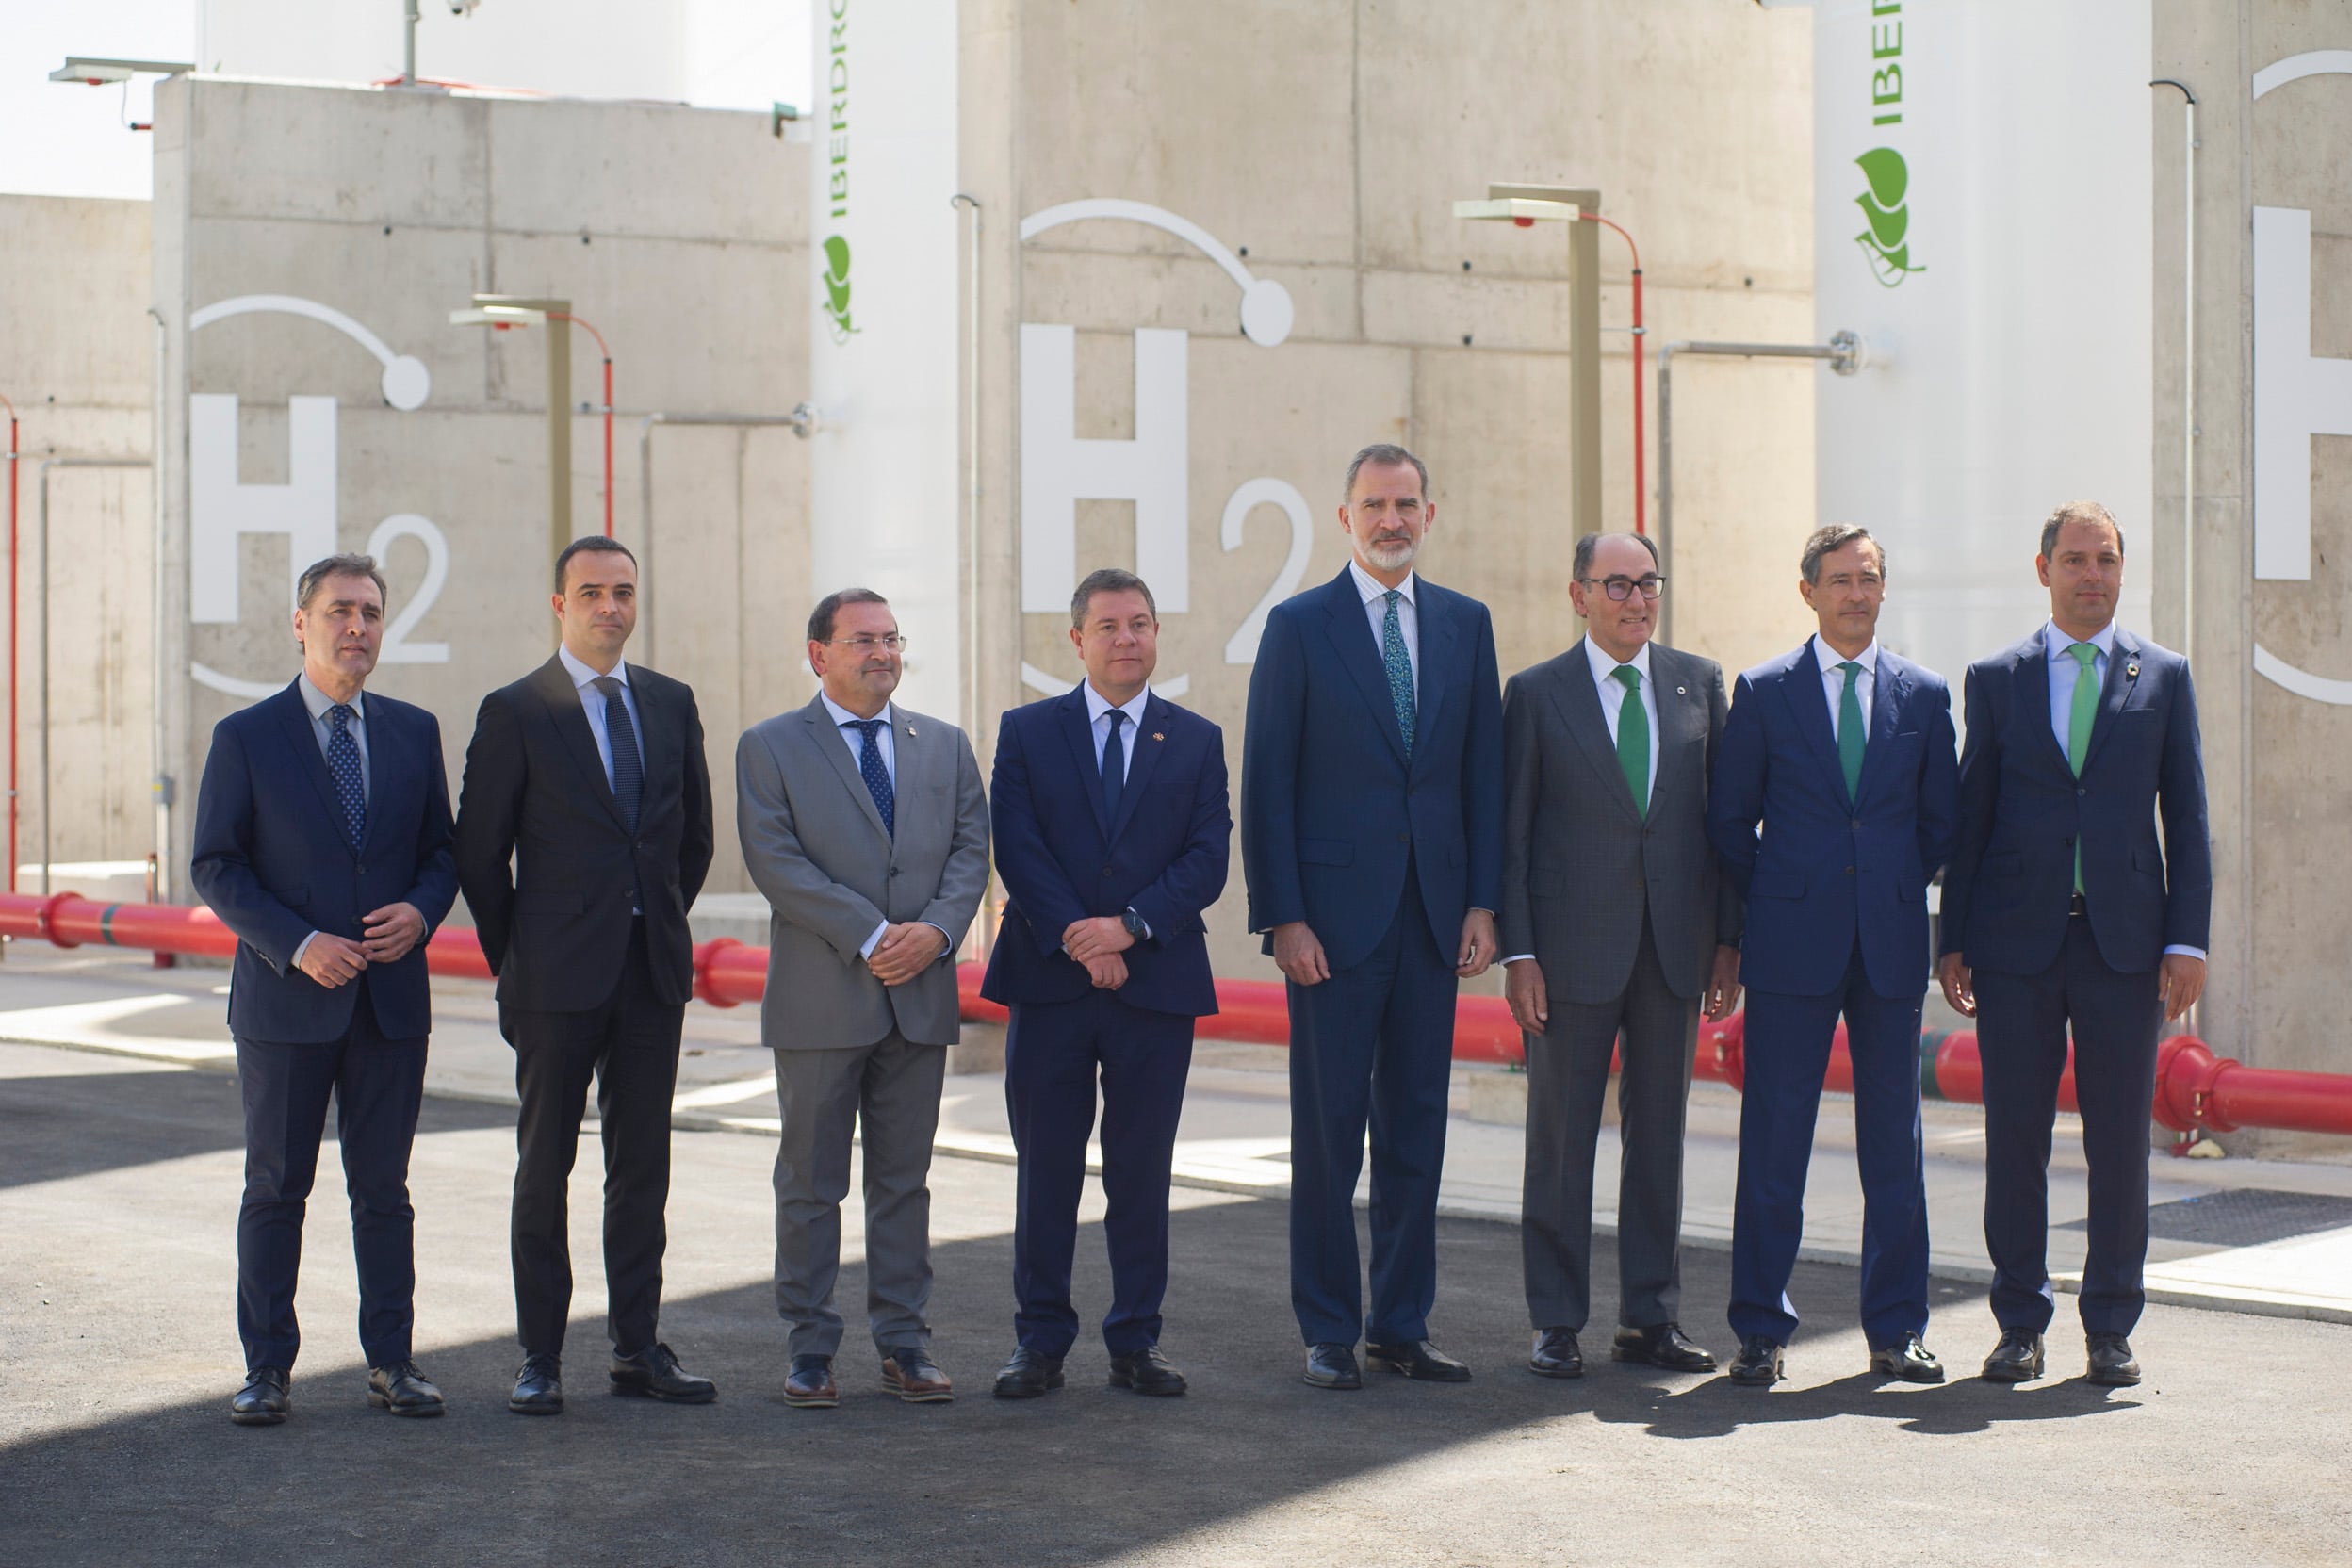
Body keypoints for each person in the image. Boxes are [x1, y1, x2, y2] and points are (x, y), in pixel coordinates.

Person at [1241, 442, 1503, 1391]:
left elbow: (1483, 775)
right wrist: (1284, 917)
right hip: (1333, 928)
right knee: (1329, 1131)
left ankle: (1401, 1322)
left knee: (1415, 1131)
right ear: (1344, 517)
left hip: (1435, 919)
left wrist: (1484, 901)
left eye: (1406, 503)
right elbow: (1268, 780)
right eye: (1373, 504)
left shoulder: (1467, 624)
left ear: (1429, 515)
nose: (1391, 519)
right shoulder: (1299, 625)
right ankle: (1327, 1325)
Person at [1938, 501, 2210, 1387]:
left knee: (2118, 1141)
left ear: (2122, 571)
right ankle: (2019, 1322)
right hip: (2015, 946)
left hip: (2127, 947)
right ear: (2044, 567)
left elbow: (2190, 821)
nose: (2092, 574)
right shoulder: (1998, 676)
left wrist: (2189, 941)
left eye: (2107, 560)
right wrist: (1954, 941)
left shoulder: (2163, 675)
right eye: (2077, 560)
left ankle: (2110, 1327)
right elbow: (1970, 816)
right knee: (2014, 1137)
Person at [191, 552, 458, 1426]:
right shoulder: (247, 737)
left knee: (383, 1190)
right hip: (285, 1001)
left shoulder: (416, 731)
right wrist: (297, 944)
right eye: (341, 611)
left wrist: (422, 912)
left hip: (390, 1002)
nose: (358, 627)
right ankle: (268, 1369)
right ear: (300, 624)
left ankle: (394, 1364)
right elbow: (216, 865)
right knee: (276, 1189)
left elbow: (441, 854)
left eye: (372, 613)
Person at [454, 535, 716, 1415]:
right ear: (559, 604)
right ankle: (540, 1356)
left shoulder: (671, 703)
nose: (611, 606)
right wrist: (518, 957)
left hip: (651, 975)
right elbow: (482, 859)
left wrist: (657, 920)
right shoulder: (517, 709)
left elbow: (692, 841)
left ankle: (638, 1348)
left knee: (642, 1168)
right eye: (592, 592)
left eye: (624, 592)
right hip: (553, 981)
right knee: (546, 1167)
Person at [1707, 525, 1958, 1387]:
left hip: (1888, 944)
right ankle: (1761, 1331)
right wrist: (1781, 893)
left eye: (1871, 579)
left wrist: (1885, 885)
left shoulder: (1924, 696)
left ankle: (1898, 1329)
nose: (1857, 593)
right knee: (1776, 1140)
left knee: (1896, 1145)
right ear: (1808, 590)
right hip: (1790, 942)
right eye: (1841, 580)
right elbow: (1731, 823)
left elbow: (1940, 826)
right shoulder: (1766, 691)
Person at [981, 568, 1232, 1400]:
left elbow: (1207, 858)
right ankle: (1039, 1343)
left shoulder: (1194, 739)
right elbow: (1017, 846)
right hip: (1051, 985)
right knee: (1045, 1169)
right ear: (1077, 638)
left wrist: (1128, 927)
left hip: (1154, 986)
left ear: (1157, 634)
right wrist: (1080, 939)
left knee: (1141, 1171)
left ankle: (1136, 1340)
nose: (1128, 638)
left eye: (1142, 624)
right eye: (1110, 626)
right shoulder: (1027, 731)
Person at [736, 588, 990, 1408]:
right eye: (862, 641)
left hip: (919, 994)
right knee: (811, 1182)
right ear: (819, 654)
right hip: (821, 1000)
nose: (882, 653)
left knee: (903, 1181)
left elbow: (970, 851)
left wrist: (939, 933)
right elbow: (776, 862)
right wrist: (876, 932)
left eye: (891, 639)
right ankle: (810, 1348)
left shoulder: (944, 746)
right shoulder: (770, 747)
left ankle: (905, 1344)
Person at [1498, 531, 1740, 1382]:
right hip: (1568, 955)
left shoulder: (1699, 684)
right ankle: (1557, 1321)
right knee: (1561, 1141)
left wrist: (1727, 944)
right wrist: (1519, 952)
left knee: (1662, 1139)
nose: (1636, 600)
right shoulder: (1534, 694)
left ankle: (1651, 1318)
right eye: (1617, 586)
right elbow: (1514, 837)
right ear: (1579, 595)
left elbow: (1724, 829)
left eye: (1648, 584)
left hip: (1675, 951)